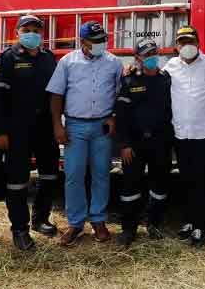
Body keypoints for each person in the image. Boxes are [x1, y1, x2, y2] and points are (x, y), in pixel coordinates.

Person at [47, 21, 123, 247]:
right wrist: (57, 126)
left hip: (102, 126)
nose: (101, 45)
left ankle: (99, 220)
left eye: (103, 40)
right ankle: (76, 223)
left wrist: (114, 116)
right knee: (74, 175)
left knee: (101, 174)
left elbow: (121, 92)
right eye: (95, 41)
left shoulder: (113, 63)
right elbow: (56, 95)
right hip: (75, 126)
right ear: (83, 42)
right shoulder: (68, 62)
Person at [0, 15, 60, 251]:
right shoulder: (7, 59)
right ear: (17, 32)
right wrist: (0, 131)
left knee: (49, 176)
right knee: (18, 182)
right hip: (17, 129)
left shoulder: (48, 58)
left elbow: (57, 94)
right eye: (27, 29)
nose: (32, 33)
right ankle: (19, 230)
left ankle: (40, 219)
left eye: (36, 30)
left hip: (45, 127)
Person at [162, 25, 205, 247]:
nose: (186, 46)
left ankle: (201, 225)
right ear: (176, 45)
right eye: (182, 42)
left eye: (190, 41)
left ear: (198, 43)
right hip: (181, 134)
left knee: (203, 181)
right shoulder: (170, 66)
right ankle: (188, 220)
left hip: (204, 134)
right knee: (186, 180)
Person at [115, 38, 173, 247]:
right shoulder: (129, 81)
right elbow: (121, 117)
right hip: (135, 144)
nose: (151, 57)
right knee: (130, 187)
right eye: (146, 54)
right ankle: (128, 229)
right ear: (138, 58)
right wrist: (124, 144)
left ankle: (154, 223)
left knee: (160, 185)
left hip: (160, 142)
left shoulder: (166, 79)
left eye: (154, 53)